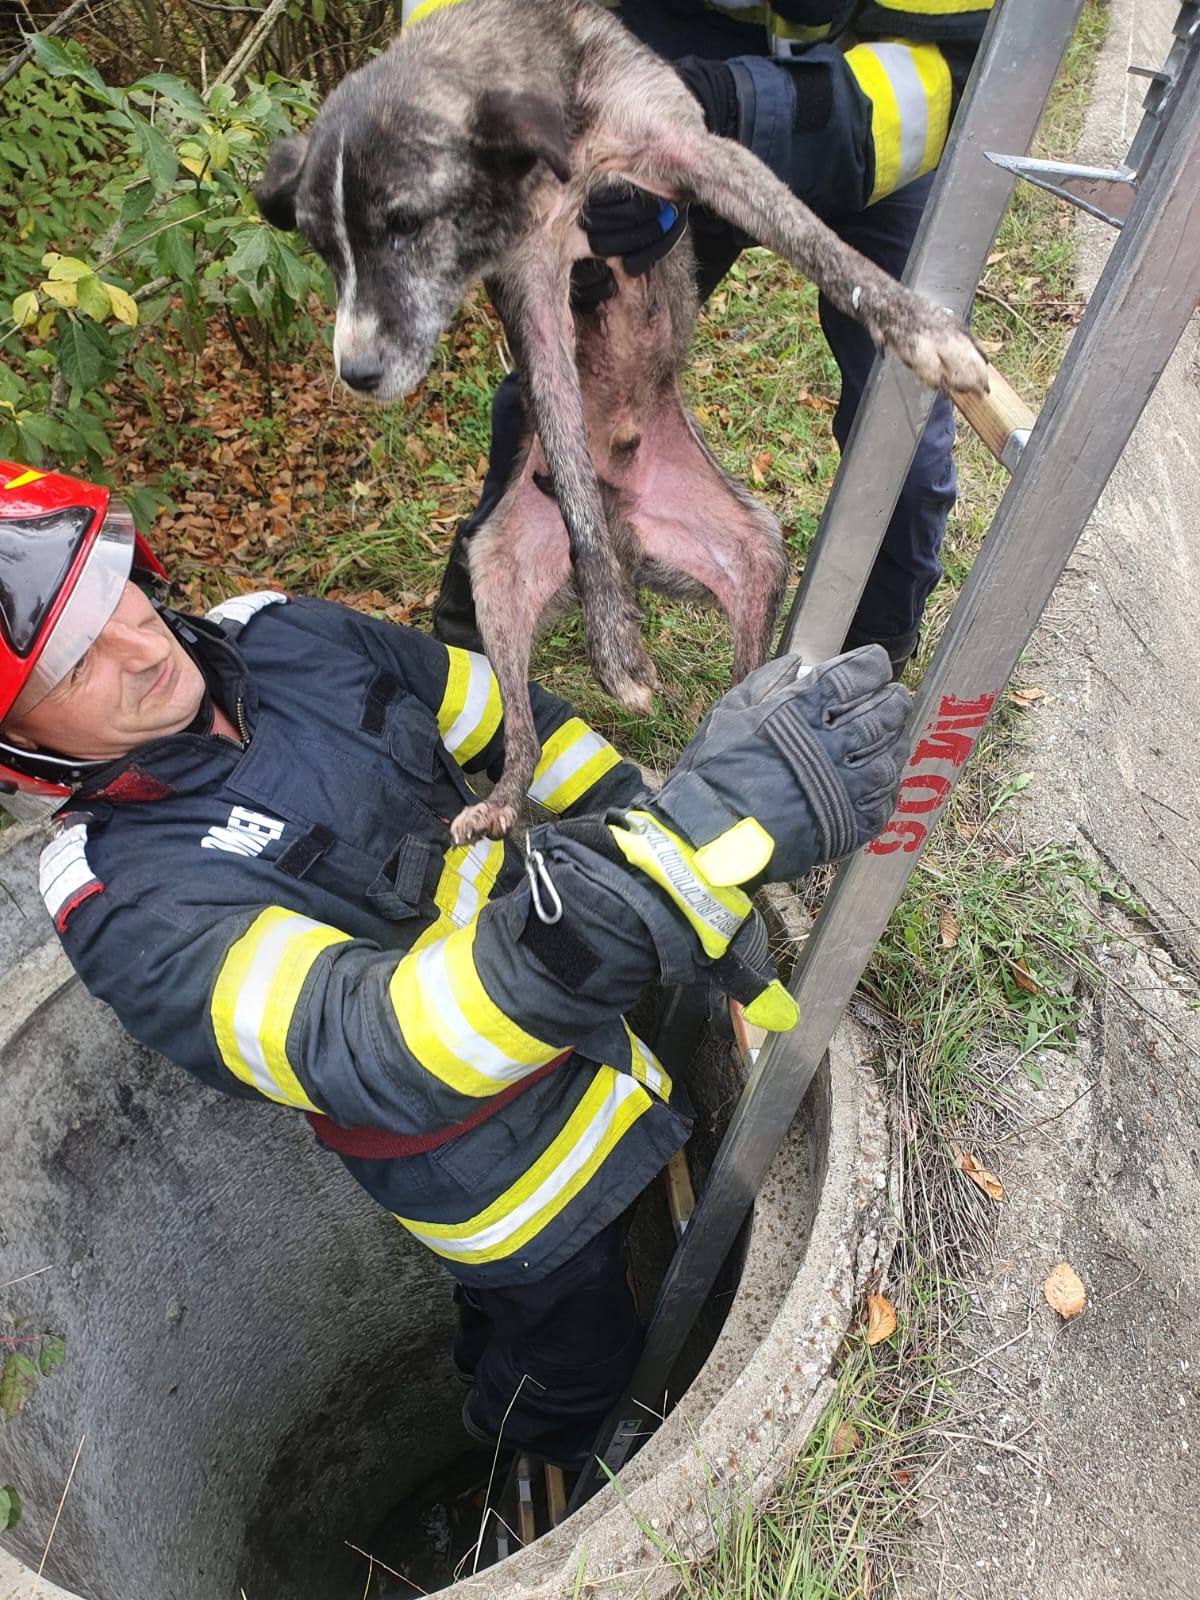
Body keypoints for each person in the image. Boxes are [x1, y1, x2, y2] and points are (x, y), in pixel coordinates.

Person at [0, 459, 909, 1471]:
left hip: (586, 1014)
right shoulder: (121, 896)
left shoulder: (280, 633)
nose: (136, 644)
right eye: (72, 665)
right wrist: (679, 857)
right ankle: (529, 1464)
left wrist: (662, 845)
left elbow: (508, 723)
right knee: (570, 1348)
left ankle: (499, 1367)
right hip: (504, 1172)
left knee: (531, 1313)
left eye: (107, 592)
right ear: (19, 746)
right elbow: (387, 1048)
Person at [431, 0, 995, 680]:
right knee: (568, 372)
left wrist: (729, 113)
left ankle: (862, 668)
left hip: (879, 95)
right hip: (669, 46)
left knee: (902, 424)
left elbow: (955, 65)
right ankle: (473, 628)